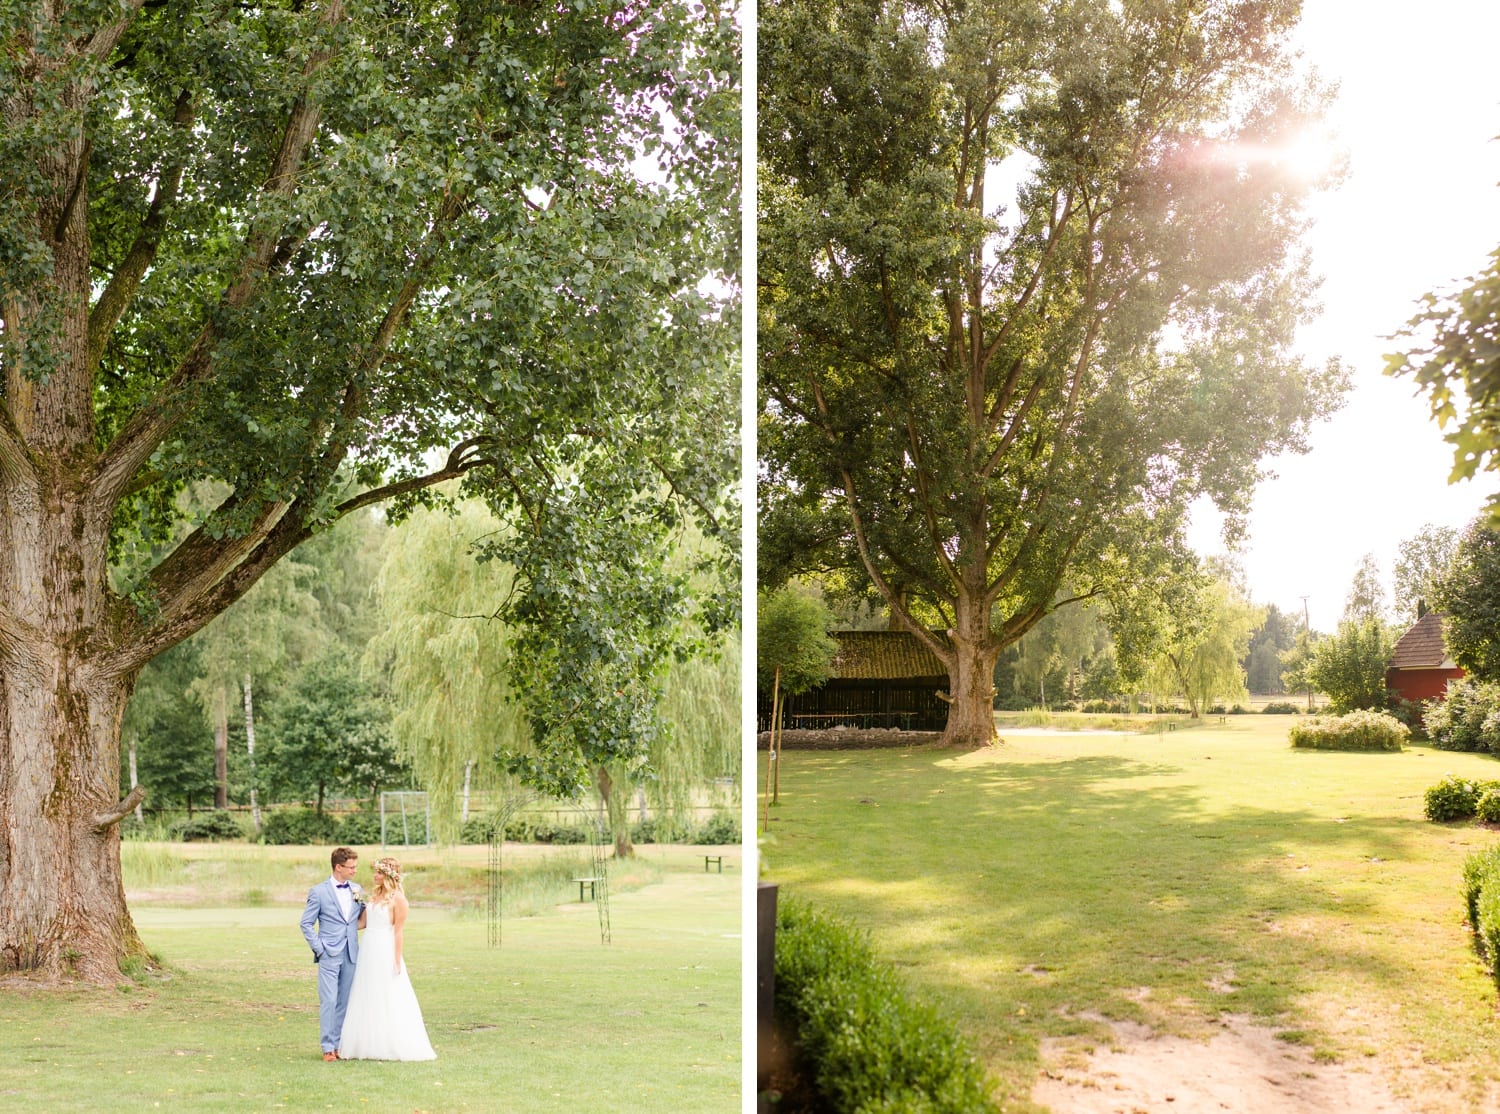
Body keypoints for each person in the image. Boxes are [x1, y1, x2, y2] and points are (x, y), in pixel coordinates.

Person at [337, 855, 437, 1061]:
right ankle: (364, 1043)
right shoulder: (374, 897)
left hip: (385, 948)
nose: (374, 875)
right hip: (368, 948)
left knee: (387, 992)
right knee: (366, 991)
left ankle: (390, 1043)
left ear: (389, 875)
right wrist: (338, 922)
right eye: (375, 871)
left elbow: (398, 931)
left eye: (379, 872)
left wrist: (397, 960)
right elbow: (361, 923)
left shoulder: (399, 900)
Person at [300, 846, 367, 1062]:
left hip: (350, 952)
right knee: (329, 1000)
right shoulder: (318, 892)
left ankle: (338, 1045)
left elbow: (358, 919)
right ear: (338, 867)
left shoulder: (356, 889)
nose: (355, 871)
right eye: (351, 867)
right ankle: (327, 1047)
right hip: (329, 953)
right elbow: (306, 923)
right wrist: (320, 949)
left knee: (344, 1001)